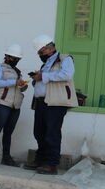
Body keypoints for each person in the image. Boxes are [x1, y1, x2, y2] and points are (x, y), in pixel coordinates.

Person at [25, 34, 77, 175]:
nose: (40, 55)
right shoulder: (45, 64)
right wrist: (37, 78)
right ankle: (41, 160)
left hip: (56, 102)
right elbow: (44, 81)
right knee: (39, 132)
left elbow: (67, 75)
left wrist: (43, 76)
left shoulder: (65, 59)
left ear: (49, 48)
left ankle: (51, 164)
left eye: (41, 52)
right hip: (41, 102)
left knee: (52, 133)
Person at [0, 44, 28, 167]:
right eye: (13, 57)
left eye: (17, 58)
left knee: (8, 133)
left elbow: (18, 88)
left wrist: (23, 86)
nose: (15, 60)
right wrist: (14, 82)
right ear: (7, 56)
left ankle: (6, 157)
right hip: (2, 104)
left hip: (15, 106)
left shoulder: (17, 71)